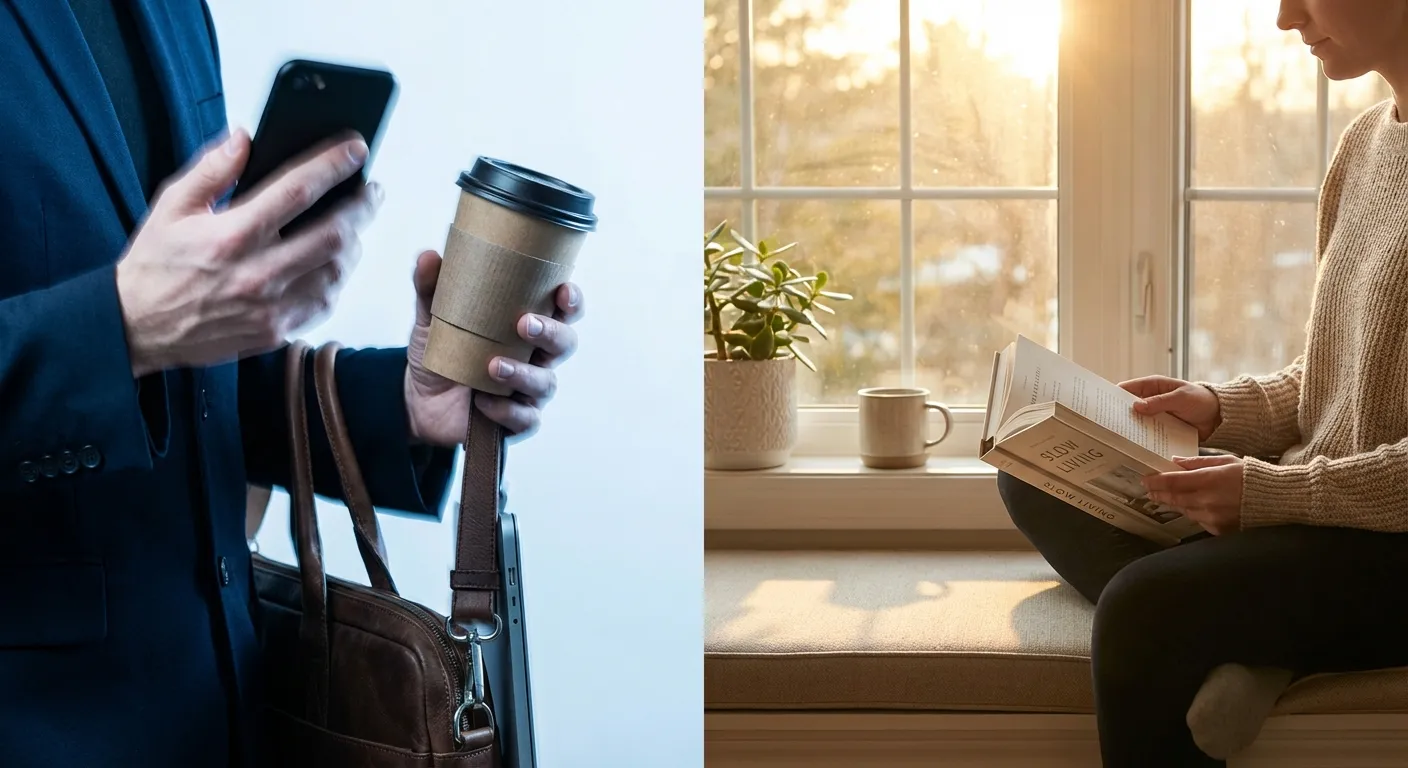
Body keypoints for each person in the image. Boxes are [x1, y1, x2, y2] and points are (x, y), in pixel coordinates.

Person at [0, 2, 584, 766]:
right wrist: (123, 324)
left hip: (228, 714)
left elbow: (181, 381)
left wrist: (404, 402)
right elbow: (136, 331)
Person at [996, 1, 1408, 766]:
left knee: (1142, 608)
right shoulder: (1367, 143)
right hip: (1322, 519)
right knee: (1034, 479)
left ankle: (1241, 628)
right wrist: (1219, 410)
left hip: (1392, 549)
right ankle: (1258, 641)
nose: (1286, 18)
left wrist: (1268, 497)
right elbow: (1334, 377)